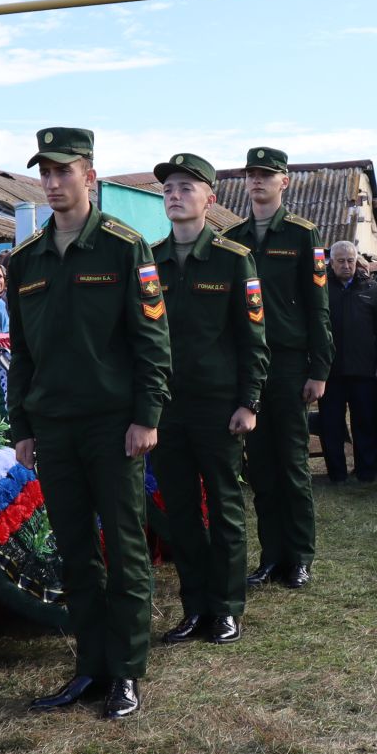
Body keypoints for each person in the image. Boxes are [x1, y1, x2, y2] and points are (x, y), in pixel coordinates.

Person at [6, 127, 171, 720]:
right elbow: (20, 353)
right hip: (53, 426)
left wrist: (146, 416)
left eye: (63, 171)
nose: (52, 183)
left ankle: (125, 672)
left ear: (90, 175)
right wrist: (20, 426)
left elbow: (152, 341)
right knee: (75, 552)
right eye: (44, 173)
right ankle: (89, 667)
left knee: (125, 548)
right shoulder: (25, 259)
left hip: (112, 424)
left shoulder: (126, 248)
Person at [145, 153, 267, 647]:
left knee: (225, 507)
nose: (175, 195)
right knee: (179, 512)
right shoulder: (148, 260)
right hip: (168, 408)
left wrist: (249, 402)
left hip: (218, 407)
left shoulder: (234, 259)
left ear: (209, 199)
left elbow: (253, 337)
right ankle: (194, 607)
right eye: (169, 189)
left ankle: (227, 608)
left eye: (186, 188)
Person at [228, 148, 332, 590]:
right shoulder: (232, 239)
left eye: (266, 175)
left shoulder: (304, 235)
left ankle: (300, 555)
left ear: (284, 182)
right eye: (252, 174)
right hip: (248, 367)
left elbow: (318, 308)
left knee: (292, 464)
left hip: (289, 363)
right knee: (261, 468)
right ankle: (271, 556)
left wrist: (319, 369)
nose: (257, 181)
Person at [322, 240, 377, 484]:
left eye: (350, 260)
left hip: (363, 369)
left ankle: (366, 471)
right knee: (331, 425)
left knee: (365, 423)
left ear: (356, 260)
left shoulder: (373, 289)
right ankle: (336, 474)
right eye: (341, 261)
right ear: (331, 262)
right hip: (330, 371)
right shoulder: (320, 288)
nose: (346, 265)